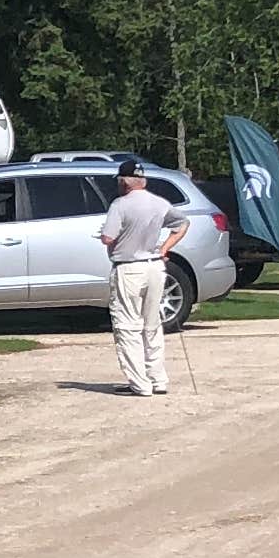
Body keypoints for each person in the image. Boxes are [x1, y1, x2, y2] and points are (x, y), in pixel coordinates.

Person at [97, 159, 178, 397]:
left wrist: (109, 236)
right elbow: (182, 223)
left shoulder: (120, 205)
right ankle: (158, 379)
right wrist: (165, 248)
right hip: (154, 266)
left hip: (129, 267)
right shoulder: (159, 203)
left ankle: (139, 383)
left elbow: (108, 238)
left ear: (124, 182)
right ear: (143, 180)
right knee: (152, 325)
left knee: (127, 325)